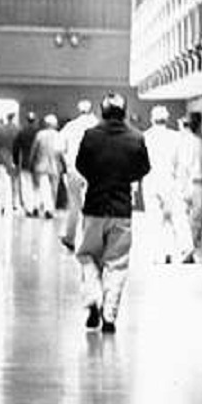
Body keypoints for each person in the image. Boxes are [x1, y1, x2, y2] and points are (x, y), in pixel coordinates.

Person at [75, 93, 150, 334]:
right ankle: (109, 316)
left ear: (103, 111)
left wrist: (98, 178)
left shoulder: (91, 136)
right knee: (117, 264)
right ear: (124, 111)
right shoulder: (136, 138)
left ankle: (93, 299)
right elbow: (143, 169)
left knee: (87, 255)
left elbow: (81, 165)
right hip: (121, 210)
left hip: (94, 207)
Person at [141, 105, 183, 263]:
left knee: (153, 219)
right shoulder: (176, 137)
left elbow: (140, 161)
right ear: (167, 119)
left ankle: (155, 254)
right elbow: (180, 162)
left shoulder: (144, 137)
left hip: (150, 179)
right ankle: (169, 252)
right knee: (170, 218)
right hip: (169, 180)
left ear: (152, 119)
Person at [58, 99, 99, 250]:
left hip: (74, 170)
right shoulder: (98, 125)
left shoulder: (71, 126)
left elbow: (59, 147)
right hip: (94, 171)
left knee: (74, 203)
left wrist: (67, 161)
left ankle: (70, 237)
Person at [172, 112, 202, 263]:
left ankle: (187, 248)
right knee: (195, 219)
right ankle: (191, 249)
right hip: (201, 184)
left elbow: (179, 165)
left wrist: (179, 185)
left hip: (186, 182)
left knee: (180, 217)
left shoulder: (182, 143)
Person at [30, 113, 64, 218]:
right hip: (54, 166)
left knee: (43, 188)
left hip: (40, 165)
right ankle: (50, 209)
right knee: (53, 189)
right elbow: (61, 152)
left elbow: (33, 150)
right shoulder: (59, 135)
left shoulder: (40, 134)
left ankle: (41, 207)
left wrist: (31, 162)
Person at [13, 111, 40, 214]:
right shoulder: (39, 132)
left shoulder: (22, 132)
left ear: (26, 120)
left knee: (26, 185)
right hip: (37, 163)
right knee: (36, 186)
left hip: (25, 163)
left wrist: (15, 161)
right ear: (35, 120)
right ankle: (36, 206)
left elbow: (16, 148)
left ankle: (28, 208)